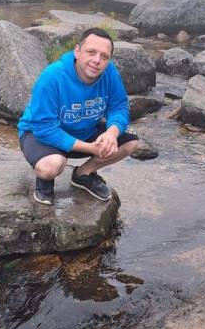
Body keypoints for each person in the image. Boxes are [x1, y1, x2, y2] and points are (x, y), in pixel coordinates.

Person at [18, 27, 139, 205]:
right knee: (51, 166)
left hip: (84, 129)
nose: (97, 60)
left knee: (130, 142)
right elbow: (44, 127)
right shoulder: (52, 77)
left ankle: (83, 174)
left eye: (104, 56)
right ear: (77, 51)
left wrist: (112, 133)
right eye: (91, 52)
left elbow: (119, 107)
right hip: (40, 134)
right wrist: (91, 148)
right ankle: (44, 182)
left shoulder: (110, 73)